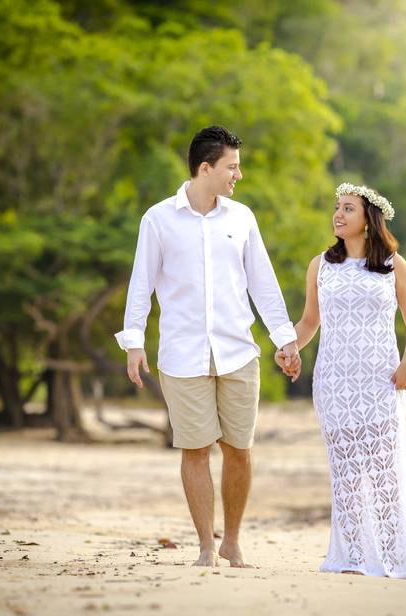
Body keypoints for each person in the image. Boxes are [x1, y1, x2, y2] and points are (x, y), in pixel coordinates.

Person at [115, 125, 301, 568]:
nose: (238, 175)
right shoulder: (157, 219)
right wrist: (134, 342)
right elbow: (141, 284)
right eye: (232, 167)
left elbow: (264, 282)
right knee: (194, 450)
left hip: (238, 350)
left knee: (239, 448)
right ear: (205, 169)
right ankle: (204, 546)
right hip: (182, 356)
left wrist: (286, 340)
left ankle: (231, 540)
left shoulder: (242, 218)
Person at [275, 182, 406, 578]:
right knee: (346, 471)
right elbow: (309, 322)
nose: (338, 215)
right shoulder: (320, 265)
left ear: (369, 220)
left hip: (381, 379)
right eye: (337, 208)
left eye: (348, 209)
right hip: (335, 380)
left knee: (384, 469)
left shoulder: (394, 264)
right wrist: (289, 348)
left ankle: (394, 557)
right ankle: (354, 557)